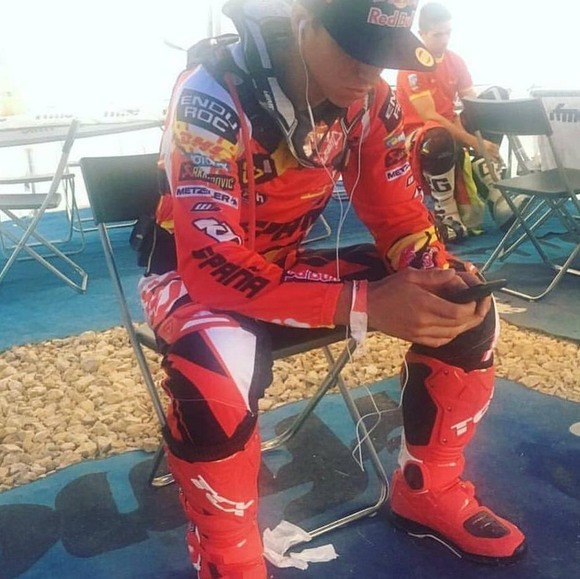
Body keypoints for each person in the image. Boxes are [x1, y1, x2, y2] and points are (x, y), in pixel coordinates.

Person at [137, 0, 526, 575]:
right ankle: (226, 554)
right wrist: (363, 304)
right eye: (354, 50)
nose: (368, 71)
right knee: (219, 358)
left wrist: (431, 273)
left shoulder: (372, 100)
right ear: (304, 21)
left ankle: (427, 487)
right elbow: (210, 263)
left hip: (283, 265)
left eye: (382, 54)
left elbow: (398, 216)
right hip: (187, 274)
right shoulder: (209, 94)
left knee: (463, 298)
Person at [396, 2, 503, 242]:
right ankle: (447, 212)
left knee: (495, 100)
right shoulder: (410, 65)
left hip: (449, 125)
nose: (444, 40)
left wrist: (478, 129)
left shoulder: (455, 60)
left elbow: (473, 104)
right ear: (422, 34)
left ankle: (494, 185)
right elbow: (429, 116)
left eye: (448, 33)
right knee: (438, 135)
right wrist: (474, 142)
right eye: (437, 35)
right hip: (419, 135)